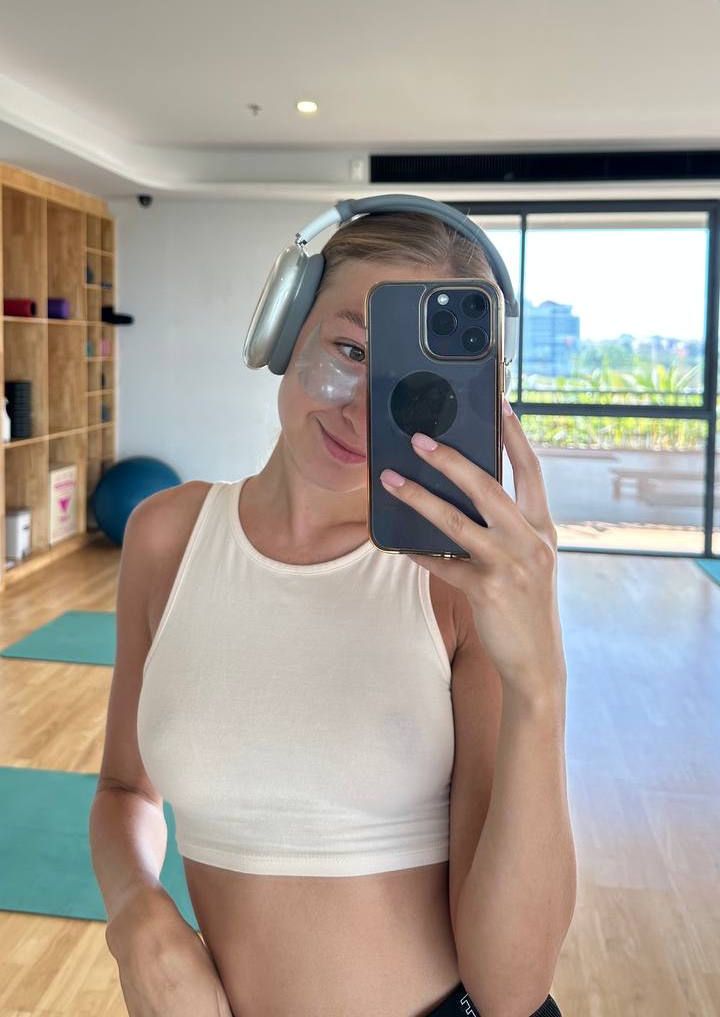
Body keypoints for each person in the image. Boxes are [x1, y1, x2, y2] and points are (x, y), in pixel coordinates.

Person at [90, 211, 574, 1017]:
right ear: (283, 330)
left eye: (413, 384)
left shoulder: (458, 583)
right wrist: (135, 912)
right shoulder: (165, 536)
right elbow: (122, 790)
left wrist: (541, 686)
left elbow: (513, 991)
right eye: (350, 351)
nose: (362, 411)